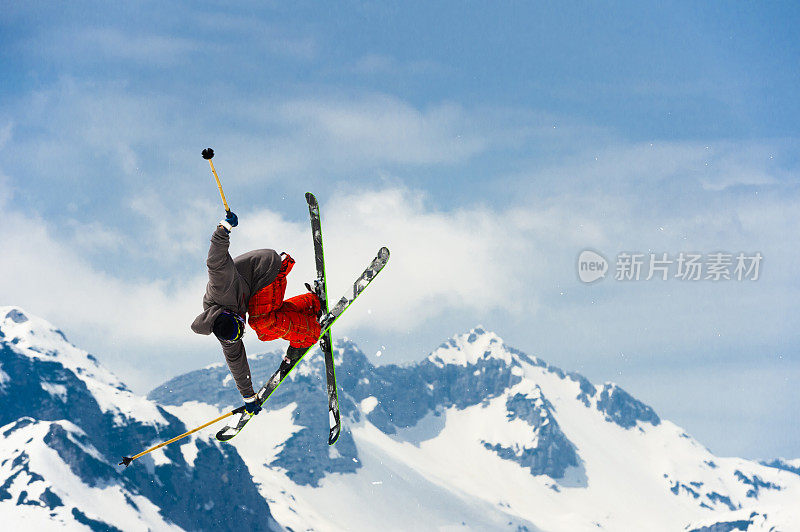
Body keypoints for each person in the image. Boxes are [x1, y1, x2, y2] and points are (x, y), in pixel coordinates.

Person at [191, 211, 322, 416]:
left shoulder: (220, 289)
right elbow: (236, 361)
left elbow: (214, 262)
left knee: (262, 322)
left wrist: (223, 228)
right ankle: (312, 305)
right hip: (256, 288)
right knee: (265, 331)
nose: (243, 326)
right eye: (240, 334)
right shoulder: (225, 333)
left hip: (264, 268)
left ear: (229, 313)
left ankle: (310, 333)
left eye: (240, 324)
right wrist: (248, 397)